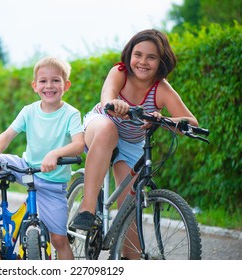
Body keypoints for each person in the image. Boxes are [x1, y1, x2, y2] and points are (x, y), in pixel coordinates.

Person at [71, 29, 199, 243]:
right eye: (138, 54)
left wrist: (161, 120)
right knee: (107, 130)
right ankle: (87, 208)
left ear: (161, 62)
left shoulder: (162, 88)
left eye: (151, 57)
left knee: (129, 209)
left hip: (132, 142)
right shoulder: (120, 72)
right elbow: (106, 98)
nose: (143, 62)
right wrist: (115, 104)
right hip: (101, 126)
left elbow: (191, 122)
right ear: (130, 55)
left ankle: (130, 259)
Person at [0, 56, 85, 260]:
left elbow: (78, 144)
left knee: (59, 240)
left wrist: (55, 153)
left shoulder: (71, 114)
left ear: (66, 85)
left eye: (55, 80)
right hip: (26, 168)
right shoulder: (29, 111)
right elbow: (6, 135)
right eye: (43, 81)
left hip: (53, 183)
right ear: (34, 86)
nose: (49, 86)